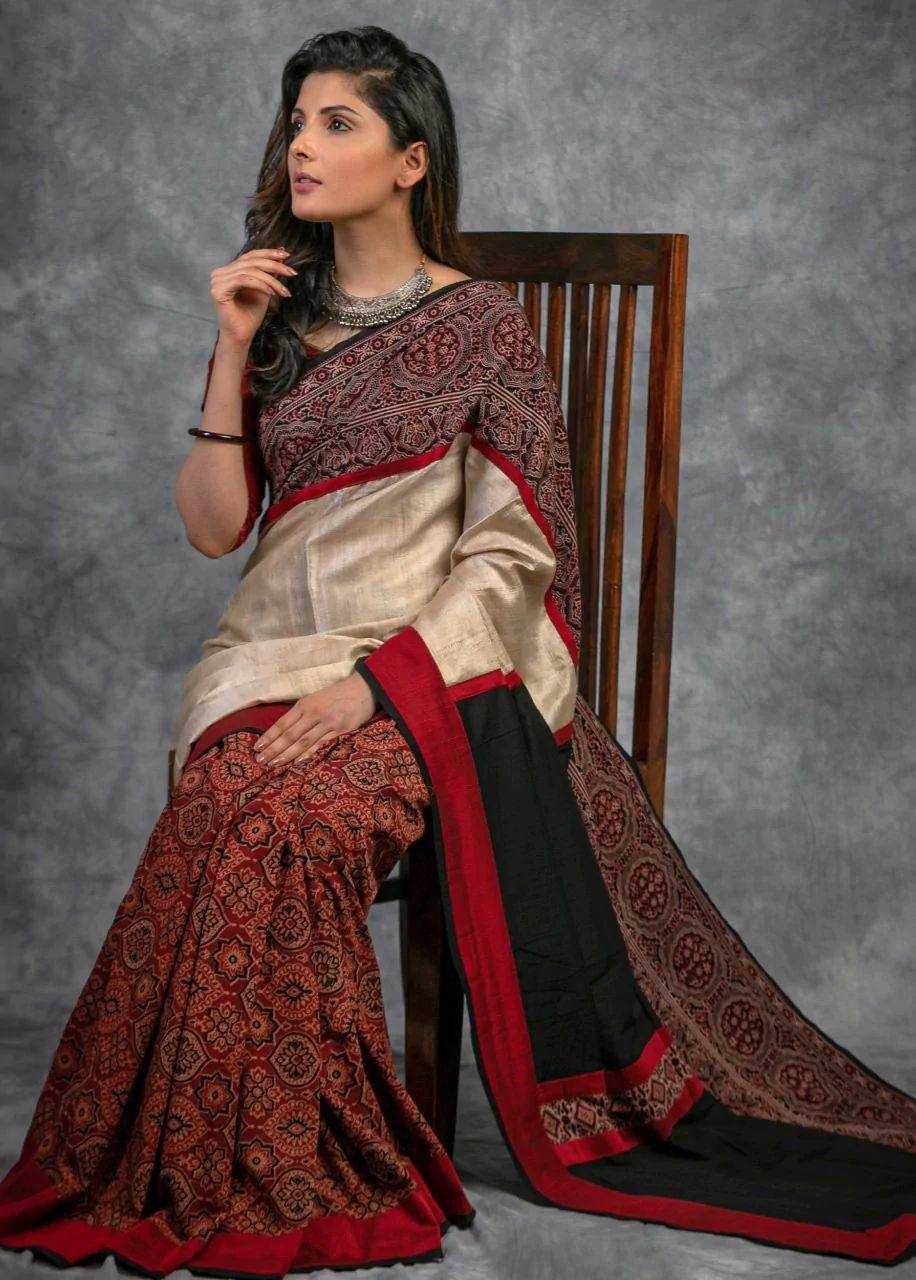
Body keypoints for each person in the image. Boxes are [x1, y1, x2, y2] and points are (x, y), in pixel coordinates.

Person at [1, 23, 914, 1278]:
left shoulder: (482, 325)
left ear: (411, 160)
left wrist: (369, 687)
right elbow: (215, 530)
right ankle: (198, 1149)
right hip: (262, 663)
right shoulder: (277, 315)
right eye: (296, 121)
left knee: (284, 824)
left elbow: (511, 555)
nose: (301, 145)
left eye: (337, 123)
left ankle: (286, 1152)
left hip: (431, 678)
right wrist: (231, 343)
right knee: (225, 801)